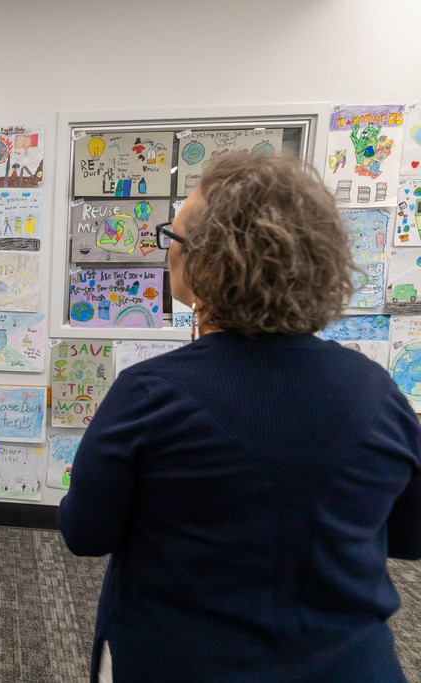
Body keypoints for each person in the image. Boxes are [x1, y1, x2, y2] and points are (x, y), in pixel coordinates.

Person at [58, 154, 421, 682]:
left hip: (177, 662)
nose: (168, 251)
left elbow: (85, 533)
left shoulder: (148, 393)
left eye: (173, 237)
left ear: (208, 262)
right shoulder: (378, 392)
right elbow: (411, 537)